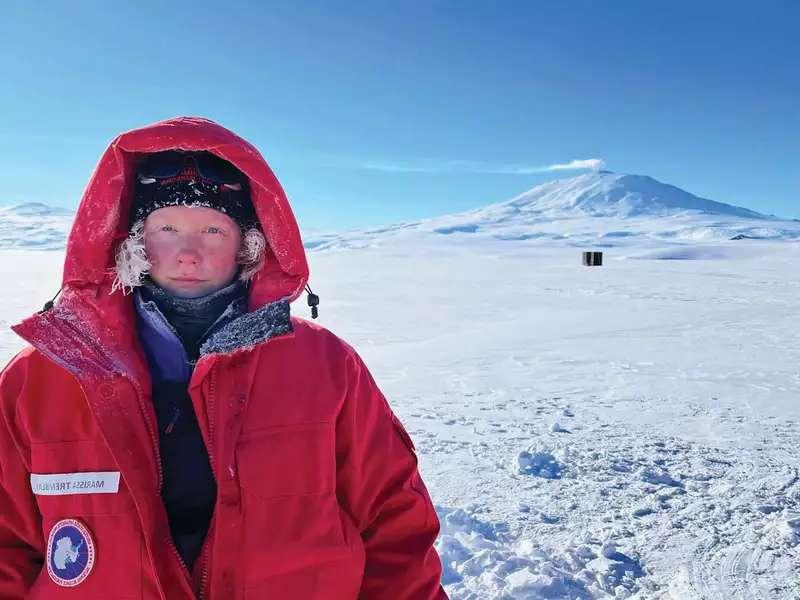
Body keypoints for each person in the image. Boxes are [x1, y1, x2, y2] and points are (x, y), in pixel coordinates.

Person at [0, 116, 447, 599]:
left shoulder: (324, 364)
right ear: (133, 241)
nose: (188, 253)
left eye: (213, 230)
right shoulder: (44, 376)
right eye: (167, 227)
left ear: (248, 246)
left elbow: (392, 523)